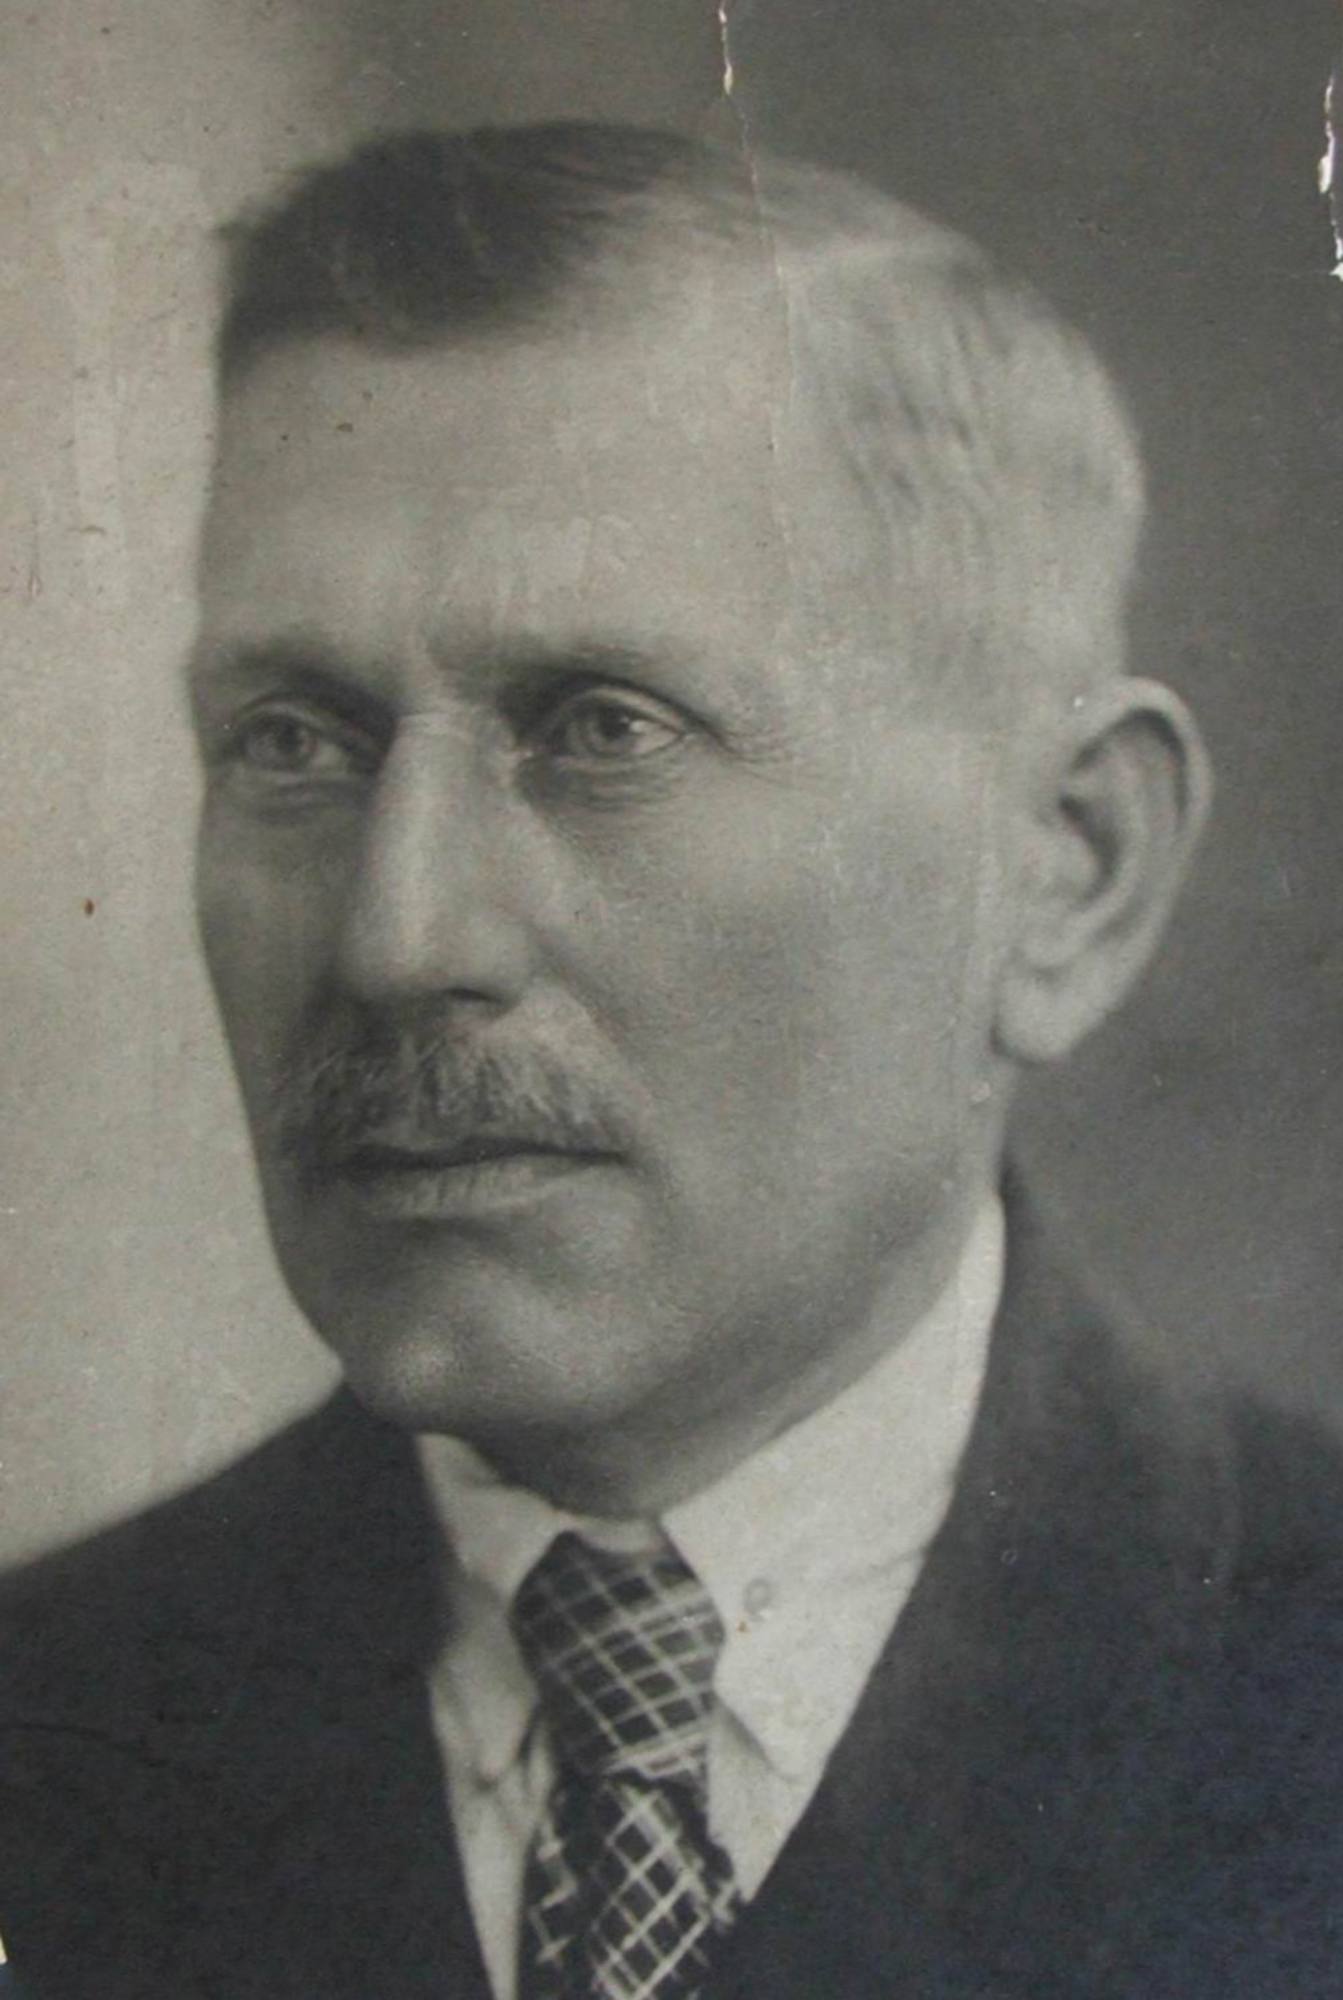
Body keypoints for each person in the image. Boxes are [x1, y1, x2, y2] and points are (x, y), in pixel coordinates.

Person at [1, 121, 1340, 2000]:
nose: (400, 938)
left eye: (603, 727)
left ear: (1065, 873)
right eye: (294, 740)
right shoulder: (46, 1729)